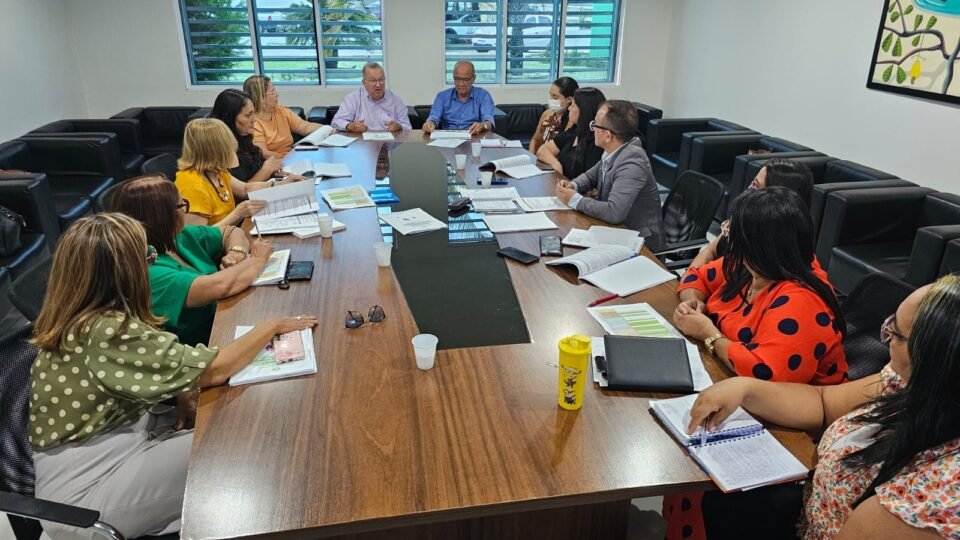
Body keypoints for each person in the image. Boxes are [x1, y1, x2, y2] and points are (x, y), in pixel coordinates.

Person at [29, 213, 317, 540]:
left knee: (236, 427)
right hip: (86, 497)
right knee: (239, 444)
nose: (153, 264)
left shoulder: (76, 320)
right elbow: (216, 369)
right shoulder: (107, 331)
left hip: (106, 454)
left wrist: (177, 388)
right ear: (124, 271)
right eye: (148, 257)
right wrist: (271, 326)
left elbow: (131, 375)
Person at [686, 274, 960, 539]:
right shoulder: (910, 381)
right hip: (809, 511)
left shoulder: (936, 495)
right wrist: (745, 388)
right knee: (721, 504)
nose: (886, 338)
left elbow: (766, 364)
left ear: (936, 358)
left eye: (897, 334)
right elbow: (825, 402)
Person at [664, 187, 848, 540]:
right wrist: (693, 302)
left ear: (763, 244)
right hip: (726, 386)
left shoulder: (800, 297)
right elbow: (696, 276)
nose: (728, 238)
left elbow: (765, 373)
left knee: (689, 454)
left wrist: (710, 336)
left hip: (786, 433)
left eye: (738, 234)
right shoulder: (749, 268)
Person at [112, 176, 274, 346]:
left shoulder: (178, 237)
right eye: (182, 205)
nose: (185, 211)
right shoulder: (146, 270)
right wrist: (258, 259)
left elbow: (231, 232)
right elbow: (220, 287)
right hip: (201, 347)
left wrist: (237, 252)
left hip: (224, 320)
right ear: (164, 216)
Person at [554, 99, 665, 250]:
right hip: (616, 233)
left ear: (607, 135)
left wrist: (574, 199)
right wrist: (573, 185)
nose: (592, 129)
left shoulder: (633, 162)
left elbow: (614, 212)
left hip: (640, 245)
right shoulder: (615, 150)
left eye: (595, 125)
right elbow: (590, 176)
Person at [175, 118, 302, 228]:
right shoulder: (193, 187)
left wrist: (284, 184)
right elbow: (199, 239)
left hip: (231, 234)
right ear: (214, 152)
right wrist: (237, 214)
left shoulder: (214, 170)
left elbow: (244, 188)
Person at [691, 158, 815, 267]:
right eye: (752, 182)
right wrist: (692, 278)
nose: (748, 189)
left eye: (755, 186)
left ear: (775, 199)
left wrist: (693, 283)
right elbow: (710, 251)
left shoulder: (766, 261)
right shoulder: (743, 221)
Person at [209, 89, 305, 184]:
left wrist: (274, 173)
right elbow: (239, 193)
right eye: (248, 115)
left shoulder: (244, 137)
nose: (254, 120)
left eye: (253, 113)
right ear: (229, 118)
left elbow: (258, 168)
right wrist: (266, 171)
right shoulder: (219, 151)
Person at [243, 75, 326, 157]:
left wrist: (327, 129)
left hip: (290, 156)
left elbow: (305, 127)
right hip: (273, 162)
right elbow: (263, 153)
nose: (277, 95)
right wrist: (288, 158)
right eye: (273, 92)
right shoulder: (253, 122)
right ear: (261, 98)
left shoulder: (280, 110)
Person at [535, 87, 605, 180]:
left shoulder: (597, 141)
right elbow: (543, 150)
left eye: (572, 105)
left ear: (584, 110)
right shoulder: (573, 132)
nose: (569, 109)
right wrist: (556, 164)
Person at [331, 62, 411, 133]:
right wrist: (350, 126)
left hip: (388, 146)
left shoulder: (395, 100)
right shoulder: (352, 99)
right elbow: (336, 122)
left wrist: (399, 127)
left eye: (381, 80)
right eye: (373, 81)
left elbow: (408, 126)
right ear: (364, 83)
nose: (378, 85)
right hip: (362, 145)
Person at [422, 60, 496, 135]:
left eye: (465, 80)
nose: (460, 84)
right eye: (457, 79)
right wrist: (430, 124)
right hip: (448, 139)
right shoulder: (442, 97)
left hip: (473, 138)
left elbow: (489, 121)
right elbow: (434, 117)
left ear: (474, 78)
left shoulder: (483, 96)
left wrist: (483, 125)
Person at [528, 76, 579, 154]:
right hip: (541, 158)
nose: (551, 100)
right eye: (550, 95)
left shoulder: (573, 120)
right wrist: (531, 157)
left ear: (569, 99)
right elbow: (535, 139)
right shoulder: (547, 114)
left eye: (555, 97)